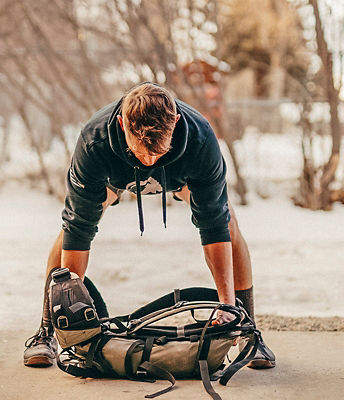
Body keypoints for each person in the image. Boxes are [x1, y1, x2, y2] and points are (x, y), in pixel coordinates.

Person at [23, 82, 275, 369]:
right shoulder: (95, 142)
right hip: (114, 176)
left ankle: (246, 329)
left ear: (176, 123)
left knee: (227, 221)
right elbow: (78, 231)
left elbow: (214, 227)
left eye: (157, 152)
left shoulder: (201, 140)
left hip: (180, 176)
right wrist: (72, 314)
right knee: (72, 227)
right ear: (121, 124)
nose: (150, 160)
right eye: (142, 152)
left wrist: (227, 308)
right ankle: (46, 331)